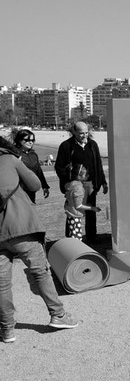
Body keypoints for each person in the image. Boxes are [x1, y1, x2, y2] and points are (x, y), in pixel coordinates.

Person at [1, 137, 78, 343]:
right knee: (40, 272)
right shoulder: (10, 160)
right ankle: (58, 314)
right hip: (20, 226)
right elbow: (34, 185)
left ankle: (7, 329)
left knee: (1, 284)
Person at [55, 121, 108, 243]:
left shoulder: (92, 145)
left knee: (90, 211)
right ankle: (71, 239)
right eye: (81, 133)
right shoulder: (66, 146)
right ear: (74, 132)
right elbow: (59, 167)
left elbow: (98, 165)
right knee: (73, 212)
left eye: (86, 133)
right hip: (74, 185)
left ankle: (91, 237)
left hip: (90, 184)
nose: (84, 135)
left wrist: (103, 182)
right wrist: (68, 183)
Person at [64, 165, 102, 240]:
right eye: (85, 174)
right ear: (79, 176)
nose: (87, 175)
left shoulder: (72, 184)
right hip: (75, 216)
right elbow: (78, 206)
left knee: (74, 236)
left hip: (71, 214)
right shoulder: (78, 188)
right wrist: (92, 208)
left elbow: (73, 201)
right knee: (77, 238)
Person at [13, 129, 49, 204]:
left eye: (32, 140)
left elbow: (38, 171)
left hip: (31, 190)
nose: (30, 142)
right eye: (27, 140)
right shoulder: (13, 154)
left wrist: (44, 186)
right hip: (17, 192)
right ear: (19, 140)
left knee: (30, 212)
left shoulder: (33, 155)